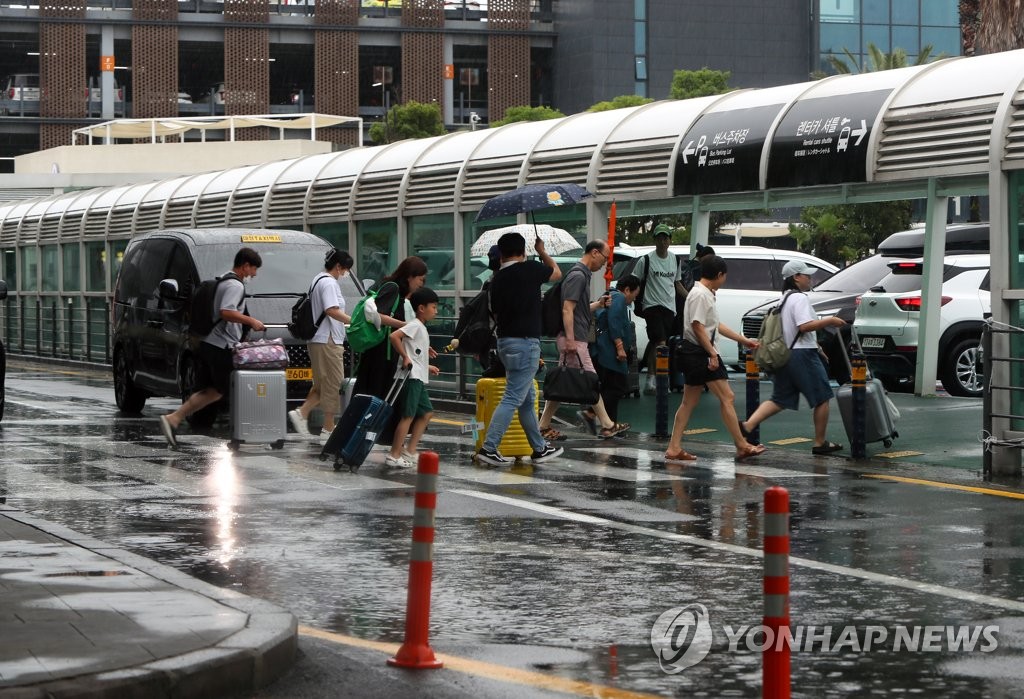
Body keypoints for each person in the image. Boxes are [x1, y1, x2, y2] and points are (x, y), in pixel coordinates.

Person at [158, 247, 265, 446]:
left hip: (210, 343)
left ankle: (173, 418)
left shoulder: (224, 278)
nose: (255, 274)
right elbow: (226, 311)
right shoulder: (235, 285)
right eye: (254, 269)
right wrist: (252, 321)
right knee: (231, 390)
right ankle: (239, 436)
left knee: (211, 390)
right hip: (221, 346)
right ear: (245, 266)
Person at [664, 254, 766, 462]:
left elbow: (715, 325)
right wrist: (712, 353)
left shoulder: (702, 293)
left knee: (688, 402)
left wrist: (744, 340)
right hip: (700, 353)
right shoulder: (701, 295)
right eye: (724, 277)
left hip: (693, 352)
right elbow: (697, 325)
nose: (724, 280)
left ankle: (674, 447)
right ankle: (741, 445)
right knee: (727, 397)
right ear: (719, 275)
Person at [739, 259, 847, 455]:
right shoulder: (799, 298)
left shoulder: (783, 299)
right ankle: (820, 442)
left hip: (785, 354)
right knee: (823, 397)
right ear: (796, 277)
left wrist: (818, 346)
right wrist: (829, 321)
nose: (810, 278)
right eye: (807, 275)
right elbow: (804, 326)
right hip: (802, 355)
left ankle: (748, 425)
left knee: (780, 399)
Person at [475, 232, 564, 467]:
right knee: (513, 397)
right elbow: (556, 273)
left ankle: (539, 448)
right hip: (526, 343)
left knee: (526, 398)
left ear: (501, 253)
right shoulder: (531, 269)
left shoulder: (497, 279)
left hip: (505, 343)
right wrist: (543, 251)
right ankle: (489, 447)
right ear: (523, 251)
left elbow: (495, 312)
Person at [538, 240, 630, 439]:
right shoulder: (578, 275)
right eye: (605, 258)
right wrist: (571, 340)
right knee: (591, 380)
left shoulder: (580, 275)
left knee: (562, 383)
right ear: (595, 253)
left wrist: (598, 304)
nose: (605, 264)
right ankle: (607, 424)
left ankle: (543, 425)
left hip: (573, 337)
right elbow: (567, 309)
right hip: (574, 339)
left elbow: (578, 310)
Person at [288, 248, 354, 442]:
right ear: (338, 266)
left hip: (319, 339)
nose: (346, 273)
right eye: (346, 269)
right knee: (334, 381)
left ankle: (302, 413)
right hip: (328, 339)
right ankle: (327, 427)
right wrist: (353, 321)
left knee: (322, 383)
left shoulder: (317, 279)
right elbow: (332, 310)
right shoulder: (329, 283)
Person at [352, 256, 428, 402]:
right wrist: (405, 325)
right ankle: (361, 424)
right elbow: (379, 315)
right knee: (373, 395)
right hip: (379, 353)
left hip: (386, 352)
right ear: (410, 276)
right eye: (420, 279)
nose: (421, 283)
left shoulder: (399, 293)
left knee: (377, 396)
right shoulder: (392, 287)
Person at [386, 287, 442, 468]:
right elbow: (394, 336)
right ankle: (394, 455)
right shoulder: (415, 325)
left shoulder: (421, 327)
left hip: (417, 376)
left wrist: (427, 366)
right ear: (421, 308)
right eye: (433, 307)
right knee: (407, 416)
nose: (436, 310)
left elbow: (415, 353)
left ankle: (409, 451)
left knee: (426, 413)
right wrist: (405, 357)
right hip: (410, 378)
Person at [635, 224, 685, 393]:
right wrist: (627, 298)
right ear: (655, 240)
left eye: (665, 238)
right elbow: (634, 282)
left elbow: (677, 284)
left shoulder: (675, 260)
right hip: (651, 306)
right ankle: (660, 381)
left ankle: (650, 380)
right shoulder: (646, 260)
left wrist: (693, 297)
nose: (663, 241)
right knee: (662, 343)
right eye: (659, 238)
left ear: (670, 240)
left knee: (656, 342)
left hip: (669, 308)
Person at [592, 274, 641, 423]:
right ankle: (591, 413)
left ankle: (609, 423)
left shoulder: (608, 295)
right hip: (610, 353)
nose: (634, 299)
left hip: (602, 350)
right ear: (627, 290)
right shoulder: (618, 298)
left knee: (608, 387)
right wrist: (620, 347)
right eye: (635, 294)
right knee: (617, 387)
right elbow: (614, 322)